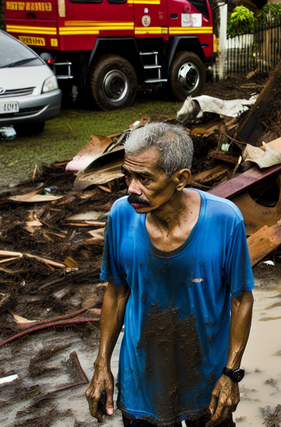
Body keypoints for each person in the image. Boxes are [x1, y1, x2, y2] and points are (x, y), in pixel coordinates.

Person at [85, 122, 254, 427]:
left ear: (181, 179)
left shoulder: (225, 220)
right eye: (128, 175)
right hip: (141, 380)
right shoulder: (121, 216)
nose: (132, 189)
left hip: (207, 381)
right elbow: (116, 292)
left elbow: (242, 300)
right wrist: (101, 365)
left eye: (145, 179)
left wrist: (231, 374)